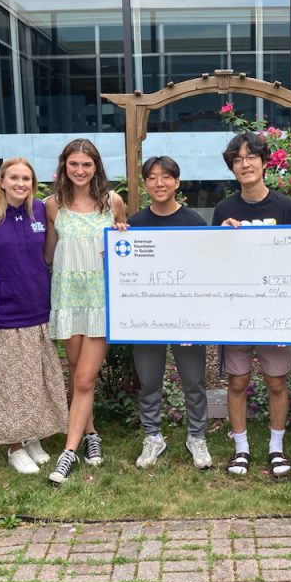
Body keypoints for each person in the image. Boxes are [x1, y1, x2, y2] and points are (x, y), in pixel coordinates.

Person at [0, 157, 68, 475]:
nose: (20, 183)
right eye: (14, 177)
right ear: (2, 180)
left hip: (37, 306)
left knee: (37, 380)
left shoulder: (38, 211)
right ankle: (14, 446)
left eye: (26, 178)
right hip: (5, 312)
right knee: (11, 383)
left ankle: (32, 437)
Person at [212, 132, 291, 478]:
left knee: (277, 382)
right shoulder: (225, 208)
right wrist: (220, 236)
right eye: (237, 159)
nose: (245, 164)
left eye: (251, 157)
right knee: (237, 381)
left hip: (276, 311)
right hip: (236, 311)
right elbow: (213, 262)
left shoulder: (286, 208)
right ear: (232, 168)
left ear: (265, 163)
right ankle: (241, 449)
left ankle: (276, 448)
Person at [45, 139, 127, 484]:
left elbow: (126, 248)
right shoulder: (52, 206)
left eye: (86, 164)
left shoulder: (112, 203)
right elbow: (50, 254)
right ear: (64, 166)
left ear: (96, 168)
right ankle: (91, 434)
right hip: (68, 299)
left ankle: (68, 452)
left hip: (101, 301)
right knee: (79, 373)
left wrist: (124, 233)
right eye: (74, 164)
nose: (80, 171)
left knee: (83, 378)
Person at [128, 156, 212, 470]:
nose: (159, 183)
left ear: (177, 182)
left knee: (194, 381)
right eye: (152, 177)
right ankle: (153, 437)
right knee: (149, 381)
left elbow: (205, 272)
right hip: (147, 317)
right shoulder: (134, 225)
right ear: (145, 183)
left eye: (166, 177)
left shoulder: (194, 222)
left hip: (187, 317)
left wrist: (199, 318)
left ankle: (196, 437)